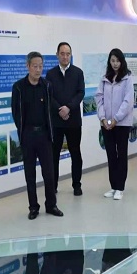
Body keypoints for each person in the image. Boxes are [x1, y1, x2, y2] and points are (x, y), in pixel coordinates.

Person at [11, 52, 64, 220]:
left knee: (49, 172)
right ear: (27, 66)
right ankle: (33, 207)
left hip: (44, 135)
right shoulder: (18, 87)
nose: (38, 70)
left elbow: (49, 110)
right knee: (30, 174)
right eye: (35, 66)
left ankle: (51, 205)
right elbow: (16, 113)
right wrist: (23, 132)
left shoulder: (47, 86)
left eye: (41, 66)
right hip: (27, 136)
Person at [95, 48, 135, 200]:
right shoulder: (104, 78)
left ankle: (120, 187)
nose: (115, 64)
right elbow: (99, 98)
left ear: (122, 61)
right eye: (112, 61)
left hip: (122, 123)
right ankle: (113, 186)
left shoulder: (127, 78)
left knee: (121, 155)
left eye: (118, 60)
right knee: (111, 155)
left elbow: (128, 101)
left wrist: (116, 119)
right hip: (106, 124)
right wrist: (103, 118)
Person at [46, 42, 85, 196]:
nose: (65, 56)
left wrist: (68, 107)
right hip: (56, 122)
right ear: (57, 55)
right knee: (53, 155)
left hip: (73, 120)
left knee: (76, 154)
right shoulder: (50, 74)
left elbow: (80, 93)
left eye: (68, 54)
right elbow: (49, 96)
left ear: (71, 55)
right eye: (62, 54)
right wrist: (59, 110)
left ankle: (77, 185)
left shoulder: (78, 73)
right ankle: (53, 186)